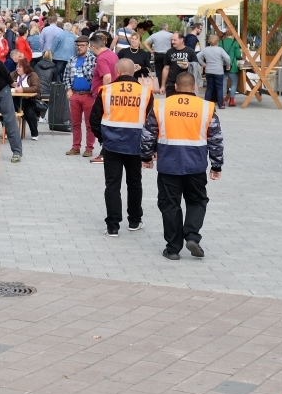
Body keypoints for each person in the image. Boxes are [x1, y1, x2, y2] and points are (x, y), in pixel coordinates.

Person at [141, 72, 224, 260]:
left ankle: (173, 248)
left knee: (170, 205)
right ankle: (192, 235)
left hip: (168, 165)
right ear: (194, 87)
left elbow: (148, 134)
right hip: (195, 165)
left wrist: (146, 156)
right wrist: (216, 165)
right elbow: (216, 139)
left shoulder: (161, 105)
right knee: (197, 201)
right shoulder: (206, 107)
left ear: (176, 87)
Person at [90, 59, 153, 237]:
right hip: (136, 145)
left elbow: (94, 120)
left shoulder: (106, 91)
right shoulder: (145, 92)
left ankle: (113, 226)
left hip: (112, 145)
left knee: (112, 185)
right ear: (133, 72)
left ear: (117, 72)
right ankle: (134, 221)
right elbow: (152, 123)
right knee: (134, 183)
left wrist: (103, 139)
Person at [65, 36, 97, 157]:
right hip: (75, 94)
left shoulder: (93, 60)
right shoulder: (72, 60)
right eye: (78, 45)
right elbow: (66, 76)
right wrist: (68, 89)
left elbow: (97, 78)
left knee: (89, 123)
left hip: (88, 95)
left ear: (88, 46)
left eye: (82, 45)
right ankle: (76, 147)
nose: (79, 47)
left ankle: (89, 148)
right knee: (75, 123)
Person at [89, 34, 119, 164]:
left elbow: (106, 76)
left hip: (105, 96)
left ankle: (104, 153)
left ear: (94, 47)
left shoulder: (101, 58)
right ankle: (108, 152)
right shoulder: (112, 54)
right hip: (115, 93)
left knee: (100, 124)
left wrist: (104, 94)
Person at [198, 35, 231, 109]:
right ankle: (220, 104)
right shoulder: (220, 49)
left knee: (209, 87)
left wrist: (203, 64)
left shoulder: (206, 49)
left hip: (209, 71)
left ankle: (206, 104)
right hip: (218, 71)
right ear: (217, 42)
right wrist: (227, 65)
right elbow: (227, 58)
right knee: (219, 88)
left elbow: (197, 56)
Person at [161, 32, 198, 97]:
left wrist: (188, 65)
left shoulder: (190, 51)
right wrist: (163, 85)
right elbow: (166, 68)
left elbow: (197, 66)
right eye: (172, 40)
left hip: (186, 85)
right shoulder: (169, 52)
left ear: (181, 40)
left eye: (175, 40)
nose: (172, 42)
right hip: (171, 84)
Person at [10, 61, 41, 141]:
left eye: (20, 67)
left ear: (25, 68)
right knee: (8, 110)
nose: (17, 69)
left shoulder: (32, 75)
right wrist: (11, 84)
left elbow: (36, 88)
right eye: (17, 67)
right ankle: (8, 132)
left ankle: (34, 133)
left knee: (29, 113)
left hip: (28, 99)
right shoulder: (14, 74)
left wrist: (23, 90)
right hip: (15, 99)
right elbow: (6, 80)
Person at [220, 34, 242, 107]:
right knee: (234, 83)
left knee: (223, 83)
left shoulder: (221, 42)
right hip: (232, 67)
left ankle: (222, 100)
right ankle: (232, 100)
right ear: (233, 35)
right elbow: (238, 55)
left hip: (222, 66)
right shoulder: (235, 43)